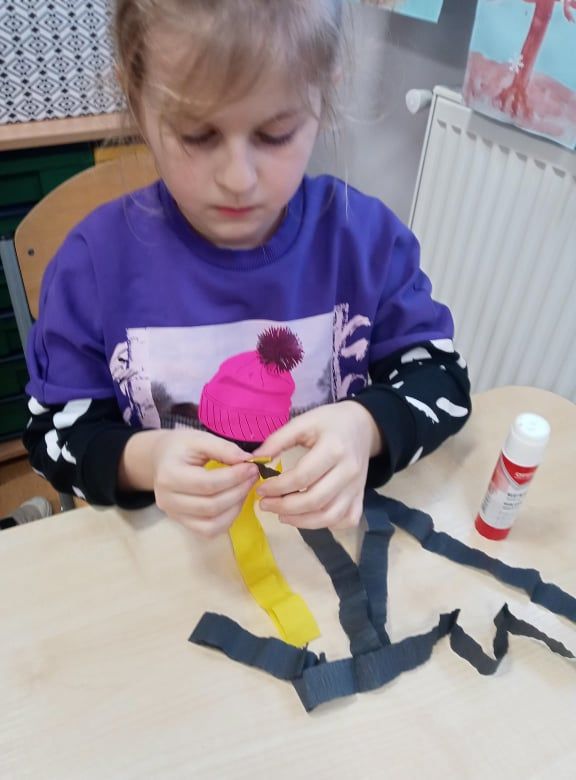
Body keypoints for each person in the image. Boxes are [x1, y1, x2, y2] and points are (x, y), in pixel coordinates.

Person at [24, 0, 472, 537]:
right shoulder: (93, 265)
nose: (238, 179)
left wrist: (366, 426)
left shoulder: (364, 241)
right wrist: (146, 460)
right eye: (197, 135)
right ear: (136, 101)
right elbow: (54, 434)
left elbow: (442, 383)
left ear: (324, 95)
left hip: (318, 542)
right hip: (175, 552)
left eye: (275, 134)